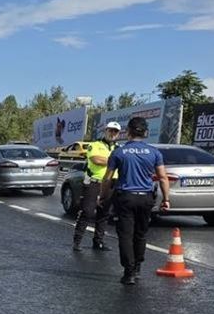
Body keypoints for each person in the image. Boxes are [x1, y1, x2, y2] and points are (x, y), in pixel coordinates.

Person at [99, 116, 170, 285]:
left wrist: (103, 196)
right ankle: (137, 267)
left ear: (127, 132)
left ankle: (129, 272)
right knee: (140, 234)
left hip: (125, 198)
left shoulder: (119, 152)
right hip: (145, 198)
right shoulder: (154, 152)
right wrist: (166, 199)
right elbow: (163, 178)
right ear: (145, 132)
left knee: (125, 235)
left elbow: (107, 179)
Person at [72, 121, 122, 251]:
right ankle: (77, 241)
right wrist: (115, 161)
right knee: (87, 212)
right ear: (105, 131)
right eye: (110, 130)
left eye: (115, 131)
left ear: (118, 134)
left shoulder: (119, 148)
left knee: (104, 213)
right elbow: (96, 160)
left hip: (111, 183)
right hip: (94, 182)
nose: (112, 133)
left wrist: (111, 161)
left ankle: (98, 242)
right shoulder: (94, 145)